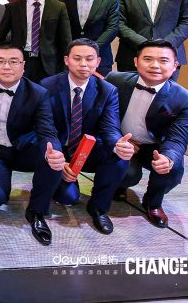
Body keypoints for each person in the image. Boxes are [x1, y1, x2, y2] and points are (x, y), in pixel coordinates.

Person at [0, 45, 65, 245]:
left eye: (13, 61)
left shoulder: (38, 93)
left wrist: (54, 151)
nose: (7, 67)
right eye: (0, 61)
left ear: (23, 65)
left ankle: (36, 211)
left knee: (54, 158)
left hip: (23, 149)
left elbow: (47, 130)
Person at [40, 39, 131, 235]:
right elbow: (46, 128)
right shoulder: (48, 86)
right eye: (77, 58)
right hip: (60, 149)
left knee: (120, 158)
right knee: (67, 198)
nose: (83, 64)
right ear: (67, 60)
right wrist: (59, 159)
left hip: (89, 150)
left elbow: (109, 127)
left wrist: (118, 144)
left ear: (98, 62)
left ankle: (99, 208)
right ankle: (61, 183)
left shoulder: (107, 90)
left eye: (89, 59)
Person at [107, 40, 188, 228]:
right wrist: (117, 140)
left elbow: (177, 138)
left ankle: (153, 202)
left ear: (175, 65)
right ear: (136, 61)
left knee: (172, 168)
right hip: (121, 140)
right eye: (148, 59)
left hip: (154, 146)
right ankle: (120, 185)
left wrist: (168, 158)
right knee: (127, 174)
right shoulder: (115, 80)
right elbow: (102, 118)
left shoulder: (185, 99)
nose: (155, 65)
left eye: (163, 60)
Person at [0, 0, 72, 83]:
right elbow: (0, 38)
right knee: (21, 93)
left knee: (46, 93)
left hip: (49, 63)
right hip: (19, 60)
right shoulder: (13, 8)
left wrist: (65, 67)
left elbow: (65, 40)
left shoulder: (59, 7)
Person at [60, 0, 119, 76]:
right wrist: (73, 50)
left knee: (99, 87)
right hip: (72, 57)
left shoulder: (111, 0)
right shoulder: (63, 2)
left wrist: (92, 49)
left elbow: (112, 28)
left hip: (100, 57)